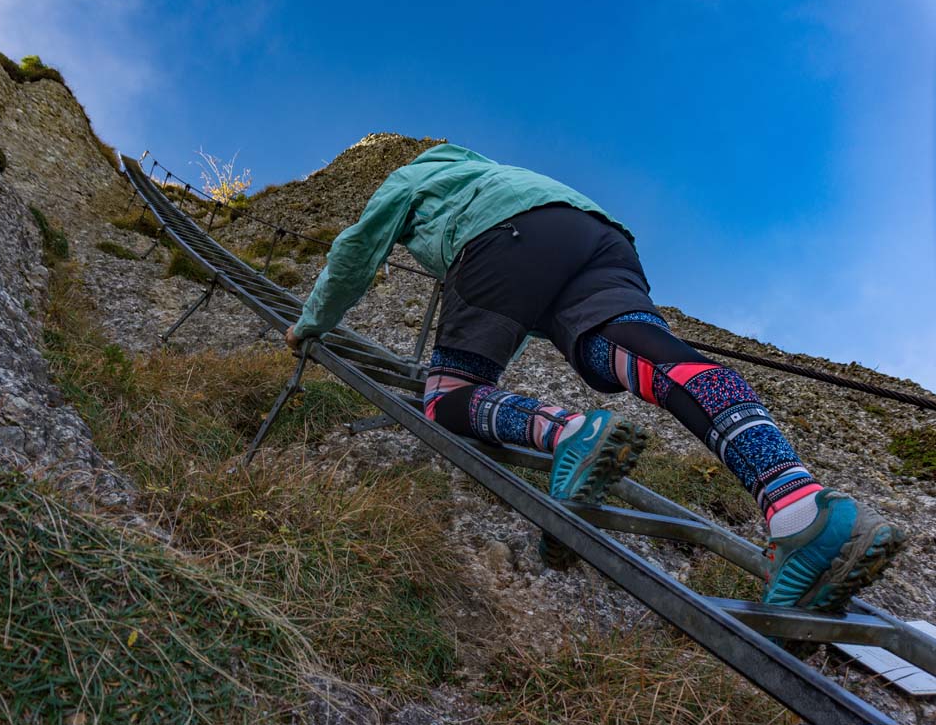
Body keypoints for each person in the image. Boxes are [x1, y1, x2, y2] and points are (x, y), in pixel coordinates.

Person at [285, 143, 905, 611]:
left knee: (445, 398)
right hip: (601, 239)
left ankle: (567, 432)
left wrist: (310, 324)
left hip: (505, 237)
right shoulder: (500, 170)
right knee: (653, 360)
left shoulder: (416, 173)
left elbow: (355, 252)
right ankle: (798, 504)